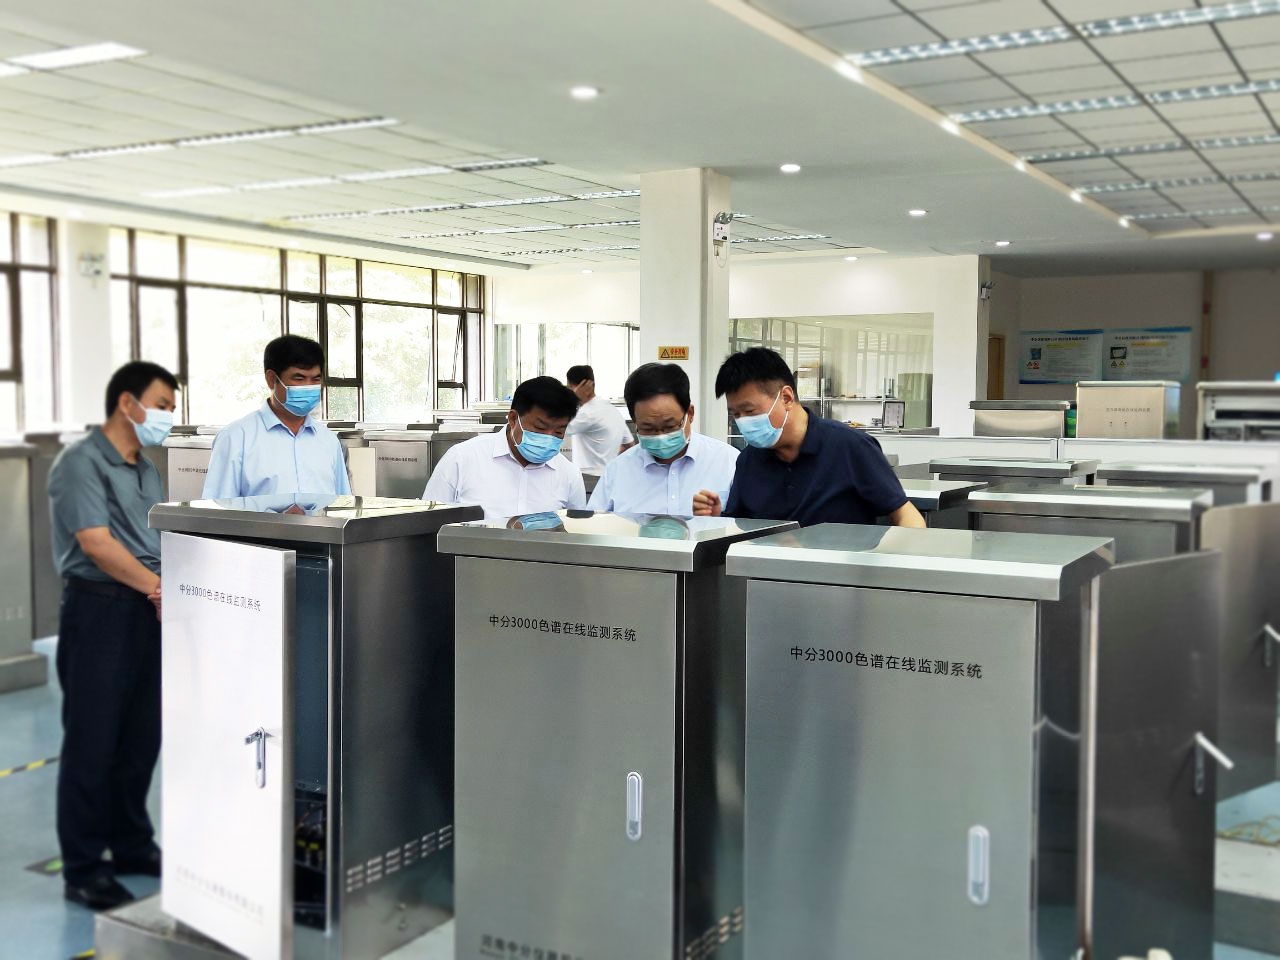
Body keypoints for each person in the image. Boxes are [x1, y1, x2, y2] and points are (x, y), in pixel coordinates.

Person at [47, 361, 178, 911]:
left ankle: (130, 844)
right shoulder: (80, 462)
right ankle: (83, 868)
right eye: (161, 406)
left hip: (147, 609)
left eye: (171, 409)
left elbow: (157, 537)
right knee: (92, 741)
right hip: (99, 609)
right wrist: (158, 588)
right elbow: (96, 543)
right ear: (128, 403)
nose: (167, 417)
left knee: (140, 738)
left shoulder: (145, 468)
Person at [693, 347, 926, 528]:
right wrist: (718, 518)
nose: (743, 421)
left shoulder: (849, 447)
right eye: (735, 414)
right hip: (771, 574)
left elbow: (906, 516)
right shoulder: (749, 461)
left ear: (786, 398)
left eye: (749, 411)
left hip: (844, 574)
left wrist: (894, 565)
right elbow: (741, 528)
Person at [202, 335, 351, 499]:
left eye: (316, 379)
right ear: (271, 379)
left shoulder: (328, 440)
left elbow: (343, 504)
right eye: (299, 378)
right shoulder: (236, 438)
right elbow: (218, 509)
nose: (309, 387)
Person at [588, 362, 738, 517]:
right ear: (635, 422)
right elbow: (593, 527)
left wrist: (717, 520)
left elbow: (746, 526)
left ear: (690, 414)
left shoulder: (729, 462)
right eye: (648, 428)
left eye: (670, 426)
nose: (660, 436)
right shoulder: (618, 471)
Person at [424, 376, 586, 518]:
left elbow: (576, 534)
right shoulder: (461, 459)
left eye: (559, 431)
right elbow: (429, 523)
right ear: (513, 419)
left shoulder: (569, 474)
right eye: (540, 428)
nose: (548, 438)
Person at [564, 364, 632, 471]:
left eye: (569, 387)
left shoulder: (586, 413)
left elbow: (558, 427)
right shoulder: (613, 410)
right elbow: (630, 445)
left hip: (588, 476)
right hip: (610, 474)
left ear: (576, 387)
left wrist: (572, 399)